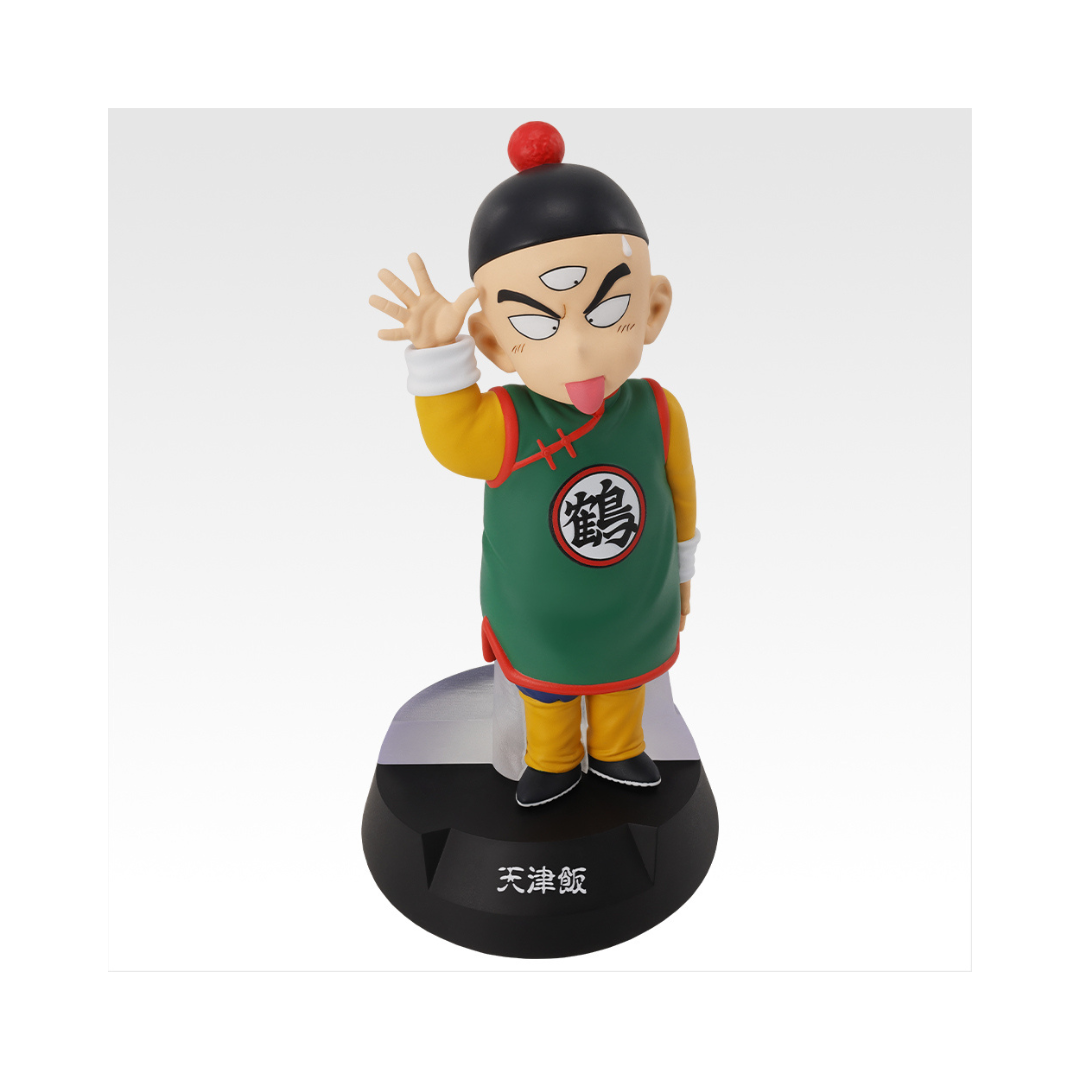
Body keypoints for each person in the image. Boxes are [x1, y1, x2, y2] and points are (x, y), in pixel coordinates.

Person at [370, 122, 699, 808]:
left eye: (609, 309)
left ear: (653, 308)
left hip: (632, 600)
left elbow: (681, 497)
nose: (577, 350)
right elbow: (455, 443)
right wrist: (437, 358)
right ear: (493, 342)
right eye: (538, 323)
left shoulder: (658, 411)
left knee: (624, 676)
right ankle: (551, 759)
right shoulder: (508, 421)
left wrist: (682, 572)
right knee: (546, 687)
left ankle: (619, 748)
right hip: (539, 613)